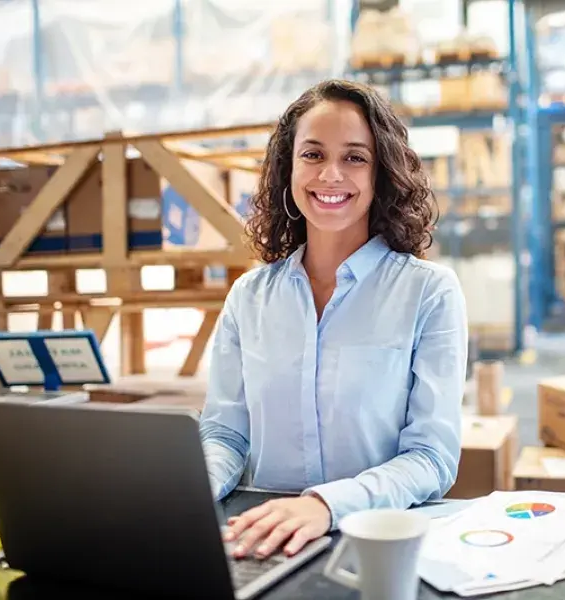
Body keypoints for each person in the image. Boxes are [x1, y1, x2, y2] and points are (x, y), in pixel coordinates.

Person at [198, 79, 468, 561]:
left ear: (381, 173)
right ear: (288, 168)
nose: (330, 175)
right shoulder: (249, 297)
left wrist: (326, 504)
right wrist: (190, 487)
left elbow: (432, 458)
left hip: (377, 544)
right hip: (264, 539)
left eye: (355, 157)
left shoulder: (429, 292)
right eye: (313, 155)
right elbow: (225, 433)